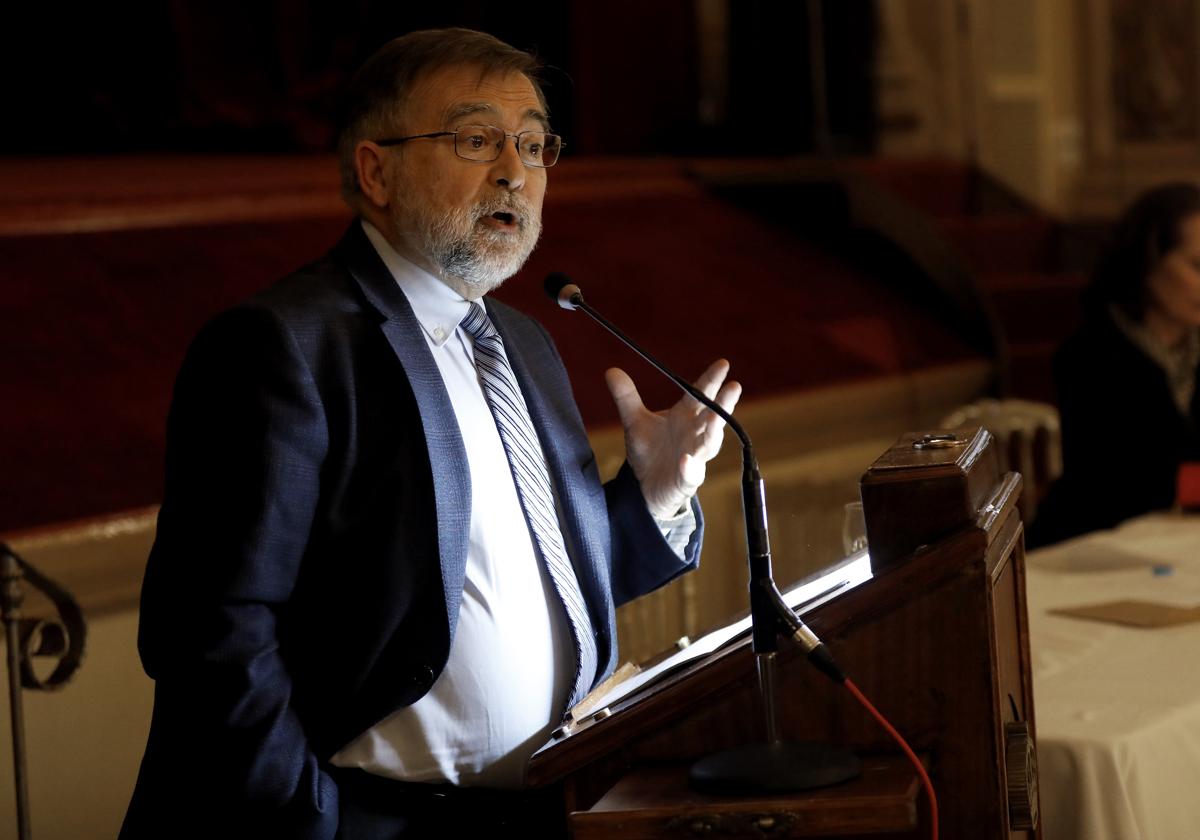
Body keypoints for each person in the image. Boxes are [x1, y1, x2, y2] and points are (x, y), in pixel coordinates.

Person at [120, 28, 741, 840]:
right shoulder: (285, 347)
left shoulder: (525, 342)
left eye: (532, 142)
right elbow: (212, 634)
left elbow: (509, 590)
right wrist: (313, 822)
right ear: (376, 171)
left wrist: (652, 500)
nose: (515, 172)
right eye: (476, 138)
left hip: (549, 807)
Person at [1029, 182, 1200, 547]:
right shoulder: (1091, 357)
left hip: (1174, 540)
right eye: (1198, 265)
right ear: (1148, 261)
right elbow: (1122, 485)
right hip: (1090, 547)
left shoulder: (1196, 349)